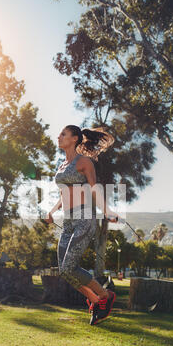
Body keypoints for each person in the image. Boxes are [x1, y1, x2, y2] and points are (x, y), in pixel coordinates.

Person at [44, 125, 120, 326]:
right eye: (59, 134)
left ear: (75, 138)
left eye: (63, 134)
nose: (58, 137)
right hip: (68, 221)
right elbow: (64, 193)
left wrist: (107, 211)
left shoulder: (84, 162)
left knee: (69, 266)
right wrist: (52, 211)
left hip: (84, 218)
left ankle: (105, 295)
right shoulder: (61, 166)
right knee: (65, 271)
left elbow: (94, 188)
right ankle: (97, 301)